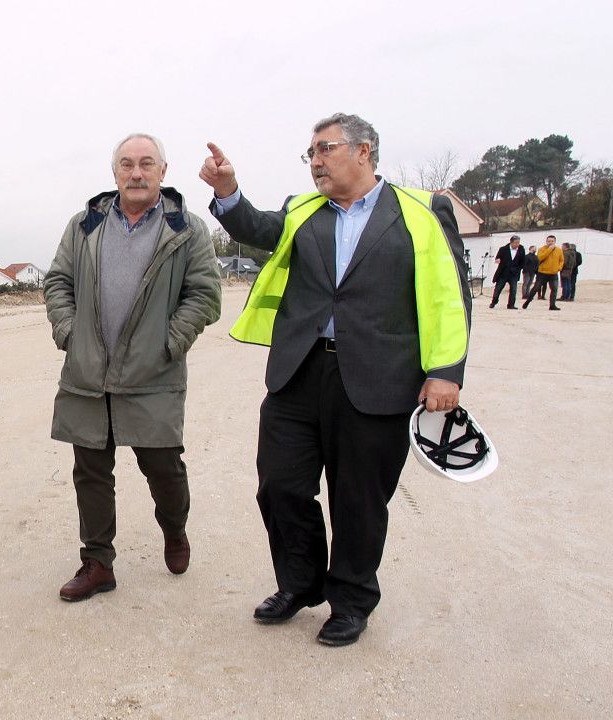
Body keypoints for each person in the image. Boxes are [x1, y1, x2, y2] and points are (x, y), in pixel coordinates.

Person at [200, 113, 471, 646]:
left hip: (381, 378)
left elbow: (449, 294)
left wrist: (445, 372)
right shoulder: (303, 210)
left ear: (364, 151)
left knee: (359, 500)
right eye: (311, 154)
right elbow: (257, 229)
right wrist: (229, 191)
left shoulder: (420, 211)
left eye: (324, 150)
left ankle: (350, 600)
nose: (315, 162)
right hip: (300, 372)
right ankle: (299, 585)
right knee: (280, 486)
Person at [44, 133, 221, 602]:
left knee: (164, 468)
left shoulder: (187, 229)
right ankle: (98, 562)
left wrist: (169, 342)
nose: (136, 173)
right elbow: (58, 281)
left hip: (153, 373)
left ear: (163, 171)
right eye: (127, 164)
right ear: (115, 172)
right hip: (89, 373)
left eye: (146, 164)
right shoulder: (84, 225)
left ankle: (174, 528)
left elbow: (204, 295)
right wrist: (69, 332)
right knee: (91, 471)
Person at [522, 235, 563, 311]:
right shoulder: (542, 249)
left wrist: (559, 268)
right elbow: (540, 258)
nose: (550, 243)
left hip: (553, 273)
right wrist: (549, 250)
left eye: (552, 241)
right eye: (549, 241)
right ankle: (528, 301)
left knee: (554, 289)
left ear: (555, 242)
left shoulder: (559, 250)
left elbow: (561, 260)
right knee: (536, 287)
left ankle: (552, 305)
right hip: (542, 273)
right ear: (546, 241)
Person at [489, 235, 525, 309]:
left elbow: (523, 261)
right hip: (503, 272)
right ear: (511, 242)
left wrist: (518, 269)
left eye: (518, 242)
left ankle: (511, 304)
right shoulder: (503, 249)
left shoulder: (521, 249)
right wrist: (497, 259)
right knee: (498, 288)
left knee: (513, 289)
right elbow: (497, 257)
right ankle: (494, 302)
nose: (517, 244)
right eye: (515, 243)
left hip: (514, 273)